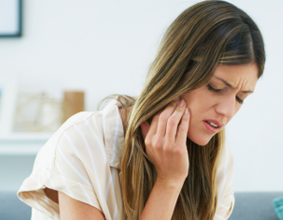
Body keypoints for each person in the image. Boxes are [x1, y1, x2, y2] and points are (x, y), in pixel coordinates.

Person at [17, 1, 265, 219]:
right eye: (215, 87)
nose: (228, 111)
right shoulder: (82, 143)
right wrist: (168, 182)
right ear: (176, 72)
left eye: (241, 98)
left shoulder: (218, 159)